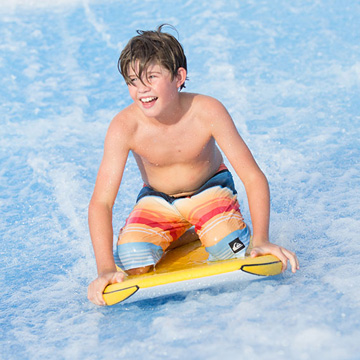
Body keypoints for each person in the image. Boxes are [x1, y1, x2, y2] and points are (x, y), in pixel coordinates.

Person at [87, 24, 299, 306]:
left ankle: (212, 227)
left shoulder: (207, 111)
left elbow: (252, 176)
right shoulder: (124, 127)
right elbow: (101, 202)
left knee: (230, 252)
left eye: (151, 77)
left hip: (209, 190)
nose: (142, 90)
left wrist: (261, 239)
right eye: (133, 81)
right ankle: (187, 233)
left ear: (179, 77)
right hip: (158, 199)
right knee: (133, 264)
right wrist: (105, 269)